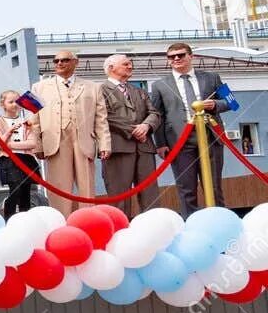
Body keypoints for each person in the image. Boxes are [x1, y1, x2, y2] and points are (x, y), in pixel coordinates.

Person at [148, 41, 229, 216]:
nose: (176, 59)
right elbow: (158, 116)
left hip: (210, 138)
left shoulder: (212, 77)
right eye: (171, 57)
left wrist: (215, 104)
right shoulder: (159, 85)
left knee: (214, 186)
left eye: (181, 55)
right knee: (186, 189)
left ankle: (219, 222)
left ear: (191, 56)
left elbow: (231, 102)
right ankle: (191, 225)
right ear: (168, 60)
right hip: (180, 142)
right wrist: (160, 144)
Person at [29, 49, 110, 216]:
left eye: (65, 60)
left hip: (84, 141)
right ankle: (61, 222)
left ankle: (87, 221)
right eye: (56, 60)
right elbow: (34, 119)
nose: (59, 63)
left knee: (86, 187)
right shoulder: (38, 87)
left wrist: (105, 144)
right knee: (59, 186)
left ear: (75, 62)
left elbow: (101, 119)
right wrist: (37, 145)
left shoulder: (93, 87)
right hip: (55, 141)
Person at [100, 53, 162, 218]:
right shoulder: (99, 90)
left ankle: (154, 230)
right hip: (118, 148)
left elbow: (154, 113)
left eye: (130, 64)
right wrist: (134, 130)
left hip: (144, 149)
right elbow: (104, 115)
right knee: (119, 196)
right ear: (111, 68)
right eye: (126, 64)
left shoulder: (138, 91)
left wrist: (146, 126)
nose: (130, 66)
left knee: (150, 195)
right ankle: (120, 232)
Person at [0, 91, 39, 219]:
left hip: (26, 159)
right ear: (3, 104)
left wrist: (9, 146)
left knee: (26, 191)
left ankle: (25, 219)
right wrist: (9, 131)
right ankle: (9, 217)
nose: (14, 105)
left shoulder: (26, 121)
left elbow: (32, 143)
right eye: (10, 102)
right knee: (15, 188)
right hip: (9, 160)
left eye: (17, 102)